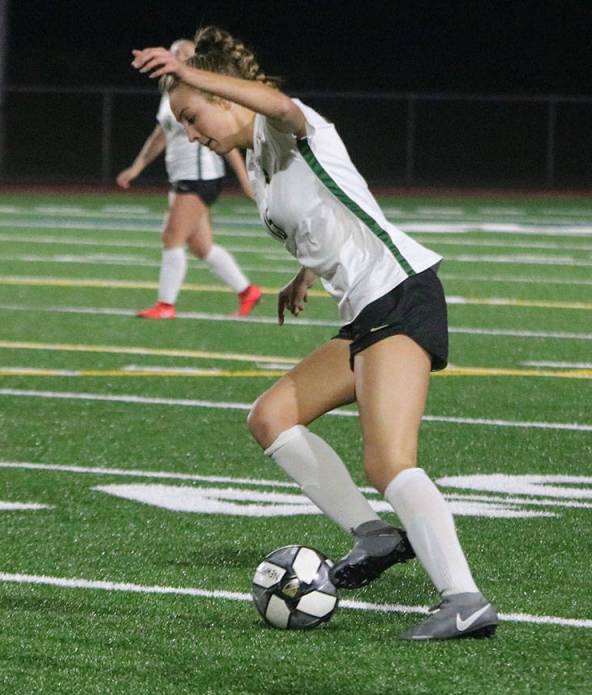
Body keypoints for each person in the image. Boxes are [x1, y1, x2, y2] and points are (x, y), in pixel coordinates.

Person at [132, 28, 497, 640]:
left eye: (194, 117)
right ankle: (376, 536)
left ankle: (464, 598)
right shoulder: (256, 159)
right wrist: (304, 273)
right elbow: (334, 210)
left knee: (389, 461)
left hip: (400, 296)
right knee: (270, 416)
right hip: (366, 310)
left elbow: (276, 105)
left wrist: (189, 72)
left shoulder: (285, 127)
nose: (193, 134)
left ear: (229, 97)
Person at [117, 39, 262, 320]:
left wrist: (244, 179)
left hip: (200, 177)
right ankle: (247, 292)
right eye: (173, 52)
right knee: (201, 246)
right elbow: (161, 136)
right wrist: (136, 167)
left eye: (184, 53)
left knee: (172, 237)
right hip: (184, 176)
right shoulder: (170, 93)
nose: (177, 56)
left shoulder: (199, 90)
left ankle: (165, 305)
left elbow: (223, 137)